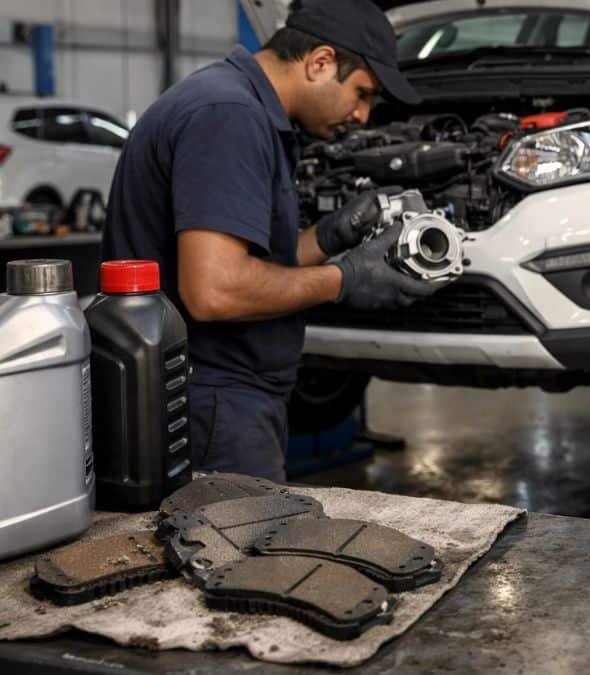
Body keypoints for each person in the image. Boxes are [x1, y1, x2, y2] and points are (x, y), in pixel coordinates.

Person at [102, 0, 432, 482]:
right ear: (320, 62)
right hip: (212, 399)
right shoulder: (230, 117)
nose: (363, 116)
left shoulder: (235, 104)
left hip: (217, 394)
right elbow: (216, 291)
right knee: (236, 533)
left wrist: (329, 235)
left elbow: (253, 263)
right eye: (362, 93)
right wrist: (345, 278)